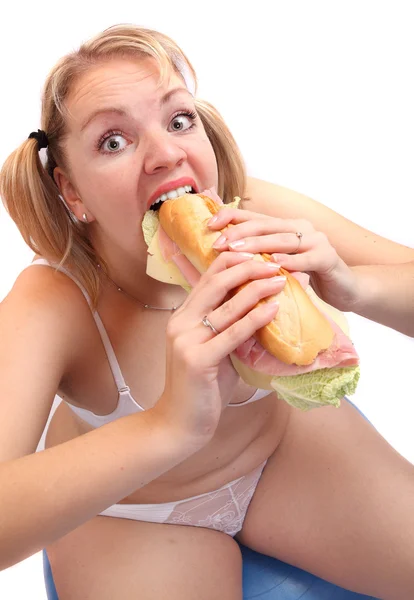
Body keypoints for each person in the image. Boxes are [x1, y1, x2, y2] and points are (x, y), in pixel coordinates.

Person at [0, 24, 413, 600]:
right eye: (114, 141)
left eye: (178, 120)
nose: (166, 154)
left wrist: (350, 287)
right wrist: (168, 424)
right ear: (71, 192)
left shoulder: (256, 211)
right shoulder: (54, 299)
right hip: (128, 511)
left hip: (281, 456)